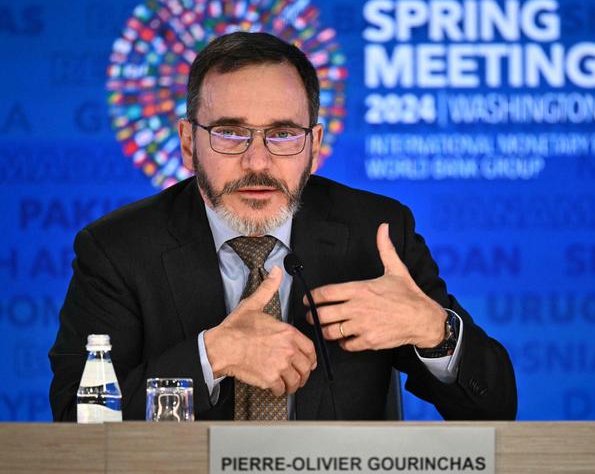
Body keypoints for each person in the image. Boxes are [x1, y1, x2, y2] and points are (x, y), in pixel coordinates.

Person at [49, 32, 516, 421]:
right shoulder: (117, 248)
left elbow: (496, 409)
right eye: (230, 133)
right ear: (189, 143)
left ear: (313, 144)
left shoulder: (376, 233)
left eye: (283, 134)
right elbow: (77, 419)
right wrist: (212, 358)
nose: (258, 161)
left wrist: (435, 330)